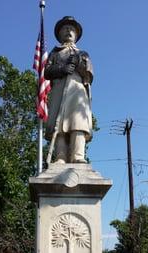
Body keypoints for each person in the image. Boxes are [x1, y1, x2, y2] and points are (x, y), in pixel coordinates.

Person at [45, 16, 93, 164]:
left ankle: (78, 155)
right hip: (60, 89)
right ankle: (60, 156)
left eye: (72, 29)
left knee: (78, 122)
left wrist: (79, 63)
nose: (69, 31)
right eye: (65, 28)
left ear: (77, 34)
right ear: (59, 33)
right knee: (59, 124)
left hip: (78, 90)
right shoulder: (55, 53)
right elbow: (47, 72)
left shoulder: (82, 54)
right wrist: (62, 68)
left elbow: (89, 74)